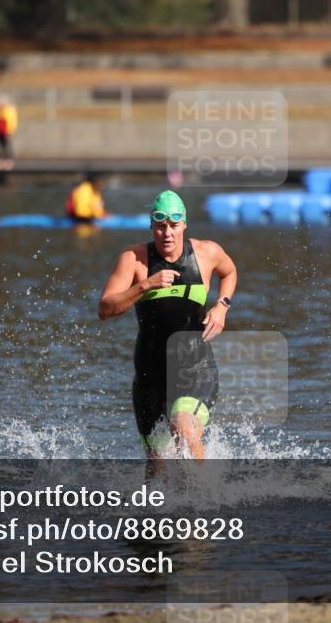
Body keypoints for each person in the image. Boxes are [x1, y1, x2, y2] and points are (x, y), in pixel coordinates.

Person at [98, 191, 237, 461]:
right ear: (152, 226)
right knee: (157, 464)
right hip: (149, 376)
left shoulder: (207, 252)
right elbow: (105, 309)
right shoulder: (134, 259)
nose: (167, 234)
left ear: (184, 224)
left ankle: (207, 498)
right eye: (160, 226)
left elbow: (229, 272)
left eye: (174, 226)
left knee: (183, 428)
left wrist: (222, 306)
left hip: (195, 369)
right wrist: (144, 285)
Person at [0, 96, 17, 170]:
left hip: (7, 131)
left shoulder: (10, 111)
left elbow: (12, 122)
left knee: (7, 146)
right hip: (0, 131)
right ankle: (1, 161)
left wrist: (10, 131)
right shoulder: (0, 111)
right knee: (0, 146)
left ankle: (9, 161)